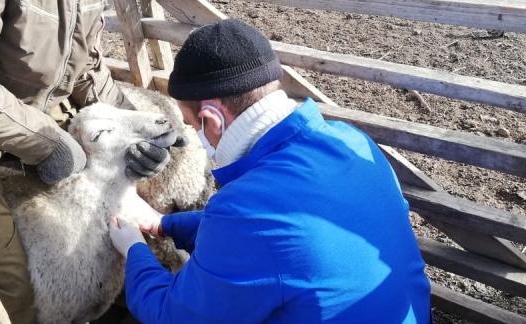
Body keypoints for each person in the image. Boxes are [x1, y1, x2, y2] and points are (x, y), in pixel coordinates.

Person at [109, 19, 431, 323]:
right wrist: (164, 225)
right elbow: (268, 236)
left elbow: (173, 316)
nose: (196, 137)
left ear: (213, 118)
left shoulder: (246, 207)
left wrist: (134, 248)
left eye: (194, 126)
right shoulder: (353, 141)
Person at [0, 1, 171, 322]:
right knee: (10, 279)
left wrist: (139, 130)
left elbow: (86, 70)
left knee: (120, 193)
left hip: (15, 106)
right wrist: (47, 143)